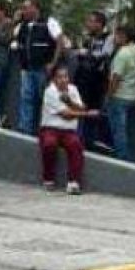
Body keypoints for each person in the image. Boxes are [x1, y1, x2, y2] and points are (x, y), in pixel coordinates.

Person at [40, 65, 98, 195]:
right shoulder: (50, 91)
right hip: (50, 128)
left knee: (75, 145)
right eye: (60, 77)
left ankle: (73, 183)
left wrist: (70, 101)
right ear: (54, 79)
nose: (63, 80)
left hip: (69, 131)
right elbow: (66, 114)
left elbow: (81, 107)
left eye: (65, 76)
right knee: (49, 144)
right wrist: (88, 114)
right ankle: (48, 179)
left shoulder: (73, 89)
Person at [12, 0, 66, 135]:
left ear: (35, 8)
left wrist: (53, 63)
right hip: (26, 68)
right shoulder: (23, 25)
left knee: (45, 100)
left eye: (26, 8)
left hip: (42, 69)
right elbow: (12, 38)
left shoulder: (49, 22)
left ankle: (47, 130)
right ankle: (25, 129)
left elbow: (60, 41)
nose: (23, 11)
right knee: (26, 99)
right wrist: (15, 21)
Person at [75, 11, 115, 149]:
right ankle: (78, 141)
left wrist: (88, 55)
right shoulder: (88, 38)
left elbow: (104, 56)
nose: (88, 24)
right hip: (83, 81)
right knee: (80, 109)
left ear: (99, 24)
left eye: (91, 21)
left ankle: (89, 143)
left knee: (93, 113)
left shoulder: (108, 38)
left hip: (97, 83)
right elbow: (81, 54)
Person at [105, 25, 135, 161]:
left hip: (119, 96)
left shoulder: (122, 54)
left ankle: (123, 158)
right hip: (131, 95)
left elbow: (116, 77)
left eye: (117, 35)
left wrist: (108, 96)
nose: (114, 38)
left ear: (123, 36)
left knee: (118, 130)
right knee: (124, 129)